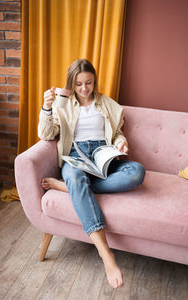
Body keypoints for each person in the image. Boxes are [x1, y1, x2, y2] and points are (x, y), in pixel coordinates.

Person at [38, 59, 145, 289]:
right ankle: (106, 255)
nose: (84, 88)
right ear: (72, 84)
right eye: (79, 84)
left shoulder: (106, 104)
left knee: (137, 172)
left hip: (103, 155)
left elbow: (117, 133)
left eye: (89, 83)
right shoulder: (63, 104)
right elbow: (46, 135)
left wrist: (121, 144)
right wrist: (47, 108)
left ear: (94, 81)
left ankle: (71, 188)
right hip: (76, 157)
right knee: (77, 177)